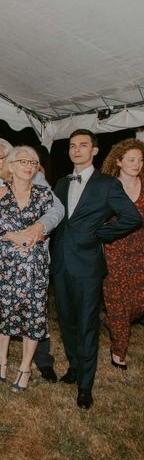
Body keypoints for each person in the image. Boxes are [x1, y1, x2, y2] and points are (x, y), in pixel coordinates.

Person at [53, 129, 141, 409]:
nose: (76, 150)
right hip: (61, 263)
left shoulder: (106, 184)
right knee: (66, 322)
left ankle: (85, 385)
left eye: (83, 145)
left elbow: (131, 217)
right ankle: (75, 367)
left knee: (87, 326)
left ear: (94, 151)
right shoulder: (62, 183)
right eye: (72, 145)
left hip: (88, 266)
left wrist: (101, 233)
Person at [0, 138, 63, 383]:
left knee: (35, 313)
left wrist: (39, 228)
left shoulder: (37, 183)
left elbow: (57, 211)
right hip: (4, 260)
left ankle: (36, 364)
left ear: (10, 159)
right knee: (3, 313)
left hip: (34, 261)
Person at [100, 139, 144, 369]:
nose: (137, 164)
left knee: (137, 301)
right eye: (131, 160)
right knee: (118, 301)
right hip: (114, 250)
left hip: (140, 251)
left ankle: (115, 322)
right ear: (118, 161)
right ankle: (119, 351)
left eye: (140, 160)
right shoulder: (107, 186)